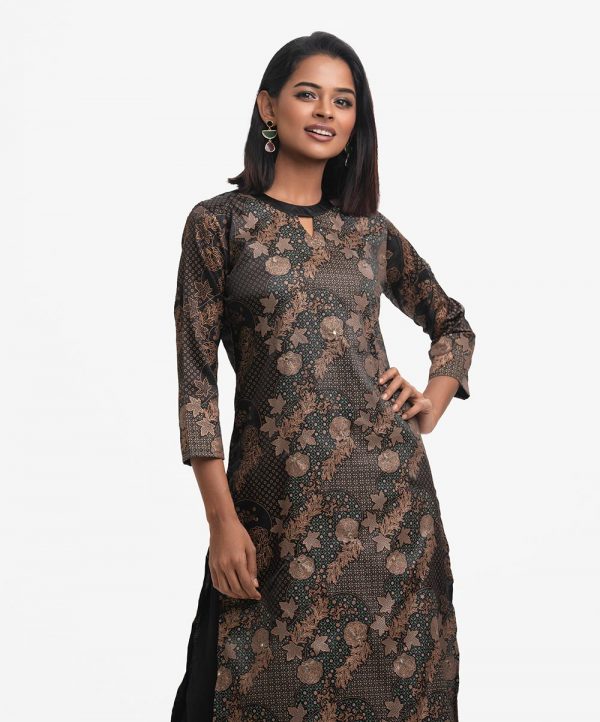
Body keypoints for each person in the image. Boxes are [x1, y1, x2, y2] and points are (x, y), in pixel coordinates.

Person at [170, 30, 476, 722]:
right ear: (268, 107)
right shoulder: (219, 225)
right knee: (239, 689)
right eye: (308, 94)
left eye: (343, 101)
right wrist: (221, 521)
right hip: (275, 510)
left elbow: (452, 323)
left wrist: (433, 398)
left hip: (392, 515)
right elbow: (196, 386)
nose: (325, 112)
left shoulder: (368, 231)